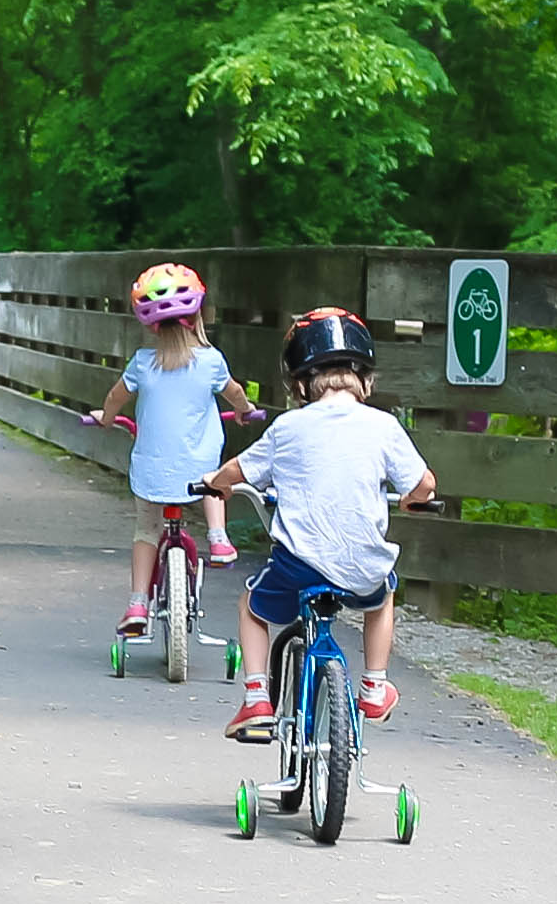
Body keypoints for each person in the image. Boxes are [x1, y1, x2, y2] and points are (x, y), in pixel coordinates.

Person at [203, 306, 434, 740]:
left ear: (299, 384)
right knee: (382, 598)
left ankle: (256, 699)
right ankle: (374, 686)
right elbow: (424, 482)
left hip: (298, 567)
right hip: (363, 568)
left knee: (252, 608)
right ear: (365, 379)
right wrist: (413, 500)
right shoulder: (383, 426)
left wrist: (216, 482)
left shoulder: (288, 427)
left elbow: (239, 470)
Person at [82, 263, 262, 626]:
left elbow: (116, 396)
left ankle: (136, 603)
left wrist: (105, 416)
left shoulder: (142, 363)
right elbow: (236, 394)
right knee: (214, 473)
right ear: (198, 316)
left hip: (151, 472)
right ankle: (218, 536)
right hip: (199, 472)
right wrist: (245, 411)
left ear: (150, 324)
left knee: (146, 530)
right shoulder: (211, 362)